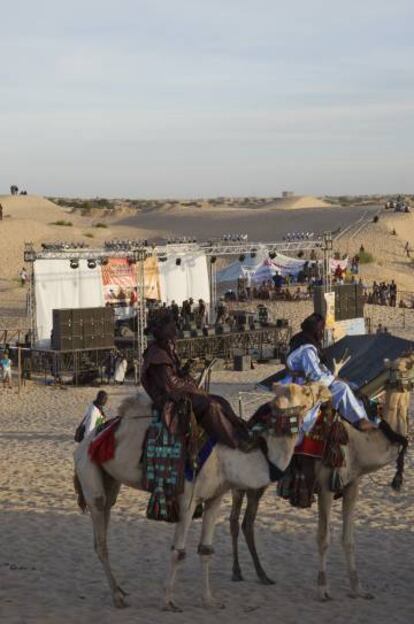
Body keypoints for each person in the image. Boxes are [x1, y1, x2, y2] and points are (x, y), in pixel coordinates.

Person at [141, 311, 254, 450]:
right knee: (211, 406)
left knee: (220, 400)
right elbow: (172, 385)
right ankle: (235, 442)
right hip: (171, 401)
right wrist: (194, 388)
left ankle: (242, 429)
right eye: (172, 338)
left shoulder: (163, 351)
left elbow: (175, 376)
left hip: (179, 395)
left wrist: (185, 372)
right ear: (166, 338)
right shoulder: (157, 356)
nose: (174, 341)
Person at [283, 313, 376, 438]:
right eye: (321, 330)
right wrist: (334, 379)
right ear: (315, 331)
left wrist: (336, 377)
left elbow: (321, 370)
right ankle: (359, 420)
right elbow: (316, 377)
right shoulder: (306, 350)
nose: (322, 334)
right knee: (341, 389)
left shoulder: (305, 345)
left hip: (307, 383)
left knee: (350, 385)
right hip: (303, 387)